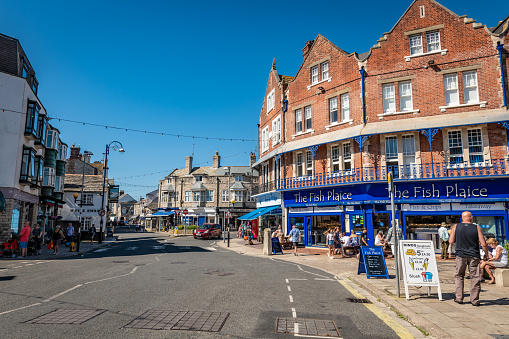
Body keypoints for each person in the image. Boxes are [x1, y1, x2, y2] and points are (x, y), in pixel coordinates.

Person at [449, 211, 489, 306]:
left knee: (459, 276)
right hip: (474, 255)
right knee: (475, 277)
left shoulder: (456, 227)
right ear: (470, 217)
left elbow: (451, 240)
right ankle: (474, 300)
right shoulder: (477, 227)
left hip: (460, 255)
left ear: (462, 218)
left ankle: (459, 298)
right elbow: (483, 243)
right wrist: (486, 254)